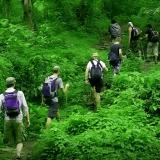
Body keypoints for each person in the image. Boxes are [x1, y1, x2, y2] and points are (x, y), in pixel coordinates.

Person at [0, 77, 30, 160]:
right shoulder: (19, 93)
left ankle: (9, 157)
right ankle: (18, 155)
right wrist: (27, 119)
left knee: (8, 142)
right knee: (19, 139)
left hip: (7, 120)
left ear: (6, 84)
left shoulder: (2, 95)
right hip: (18, 119)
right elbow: (25, 107)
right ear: (14, 84)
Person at [41, 66, 69, 130]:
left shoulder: (47, 78)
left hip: (46, 98)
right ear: (59, 71)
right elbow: (64, 92)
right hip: (53, 99)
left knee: (56, 109)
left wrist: (42, 101)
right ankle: (46, 133)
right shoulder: (58, 79)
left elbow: (43, 90)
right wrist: (66, 86)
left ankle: (60, 123)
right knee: (50, 116)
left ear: (53, 71)